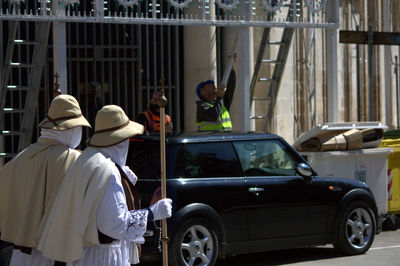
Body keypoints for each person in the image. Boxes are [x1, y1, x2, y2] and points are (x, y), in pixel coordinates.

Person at [38, 105, 173, 266]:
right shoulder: (107, 170)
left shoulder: (88, 159)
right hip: (103, 257)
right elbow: (114, 224)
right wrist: (152, 213)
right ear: (119, 141)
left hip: (87, 255)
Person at [0, 94, 91, 266]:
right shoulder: (74, 160)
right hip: (57, 256)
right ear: (69, 130)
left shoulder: (20, 158)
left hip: (19, 256)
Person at [195, 53, 238, 131]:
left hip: (225, 140)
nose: (213, 85)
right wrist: (219, 97)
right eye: (208, 85)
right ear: (203, 92)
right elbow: (214, 116)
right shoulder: (201, 107)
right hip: (211, 142)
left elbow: (231, 85)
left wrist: (231, 65)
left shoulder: (221, 102)